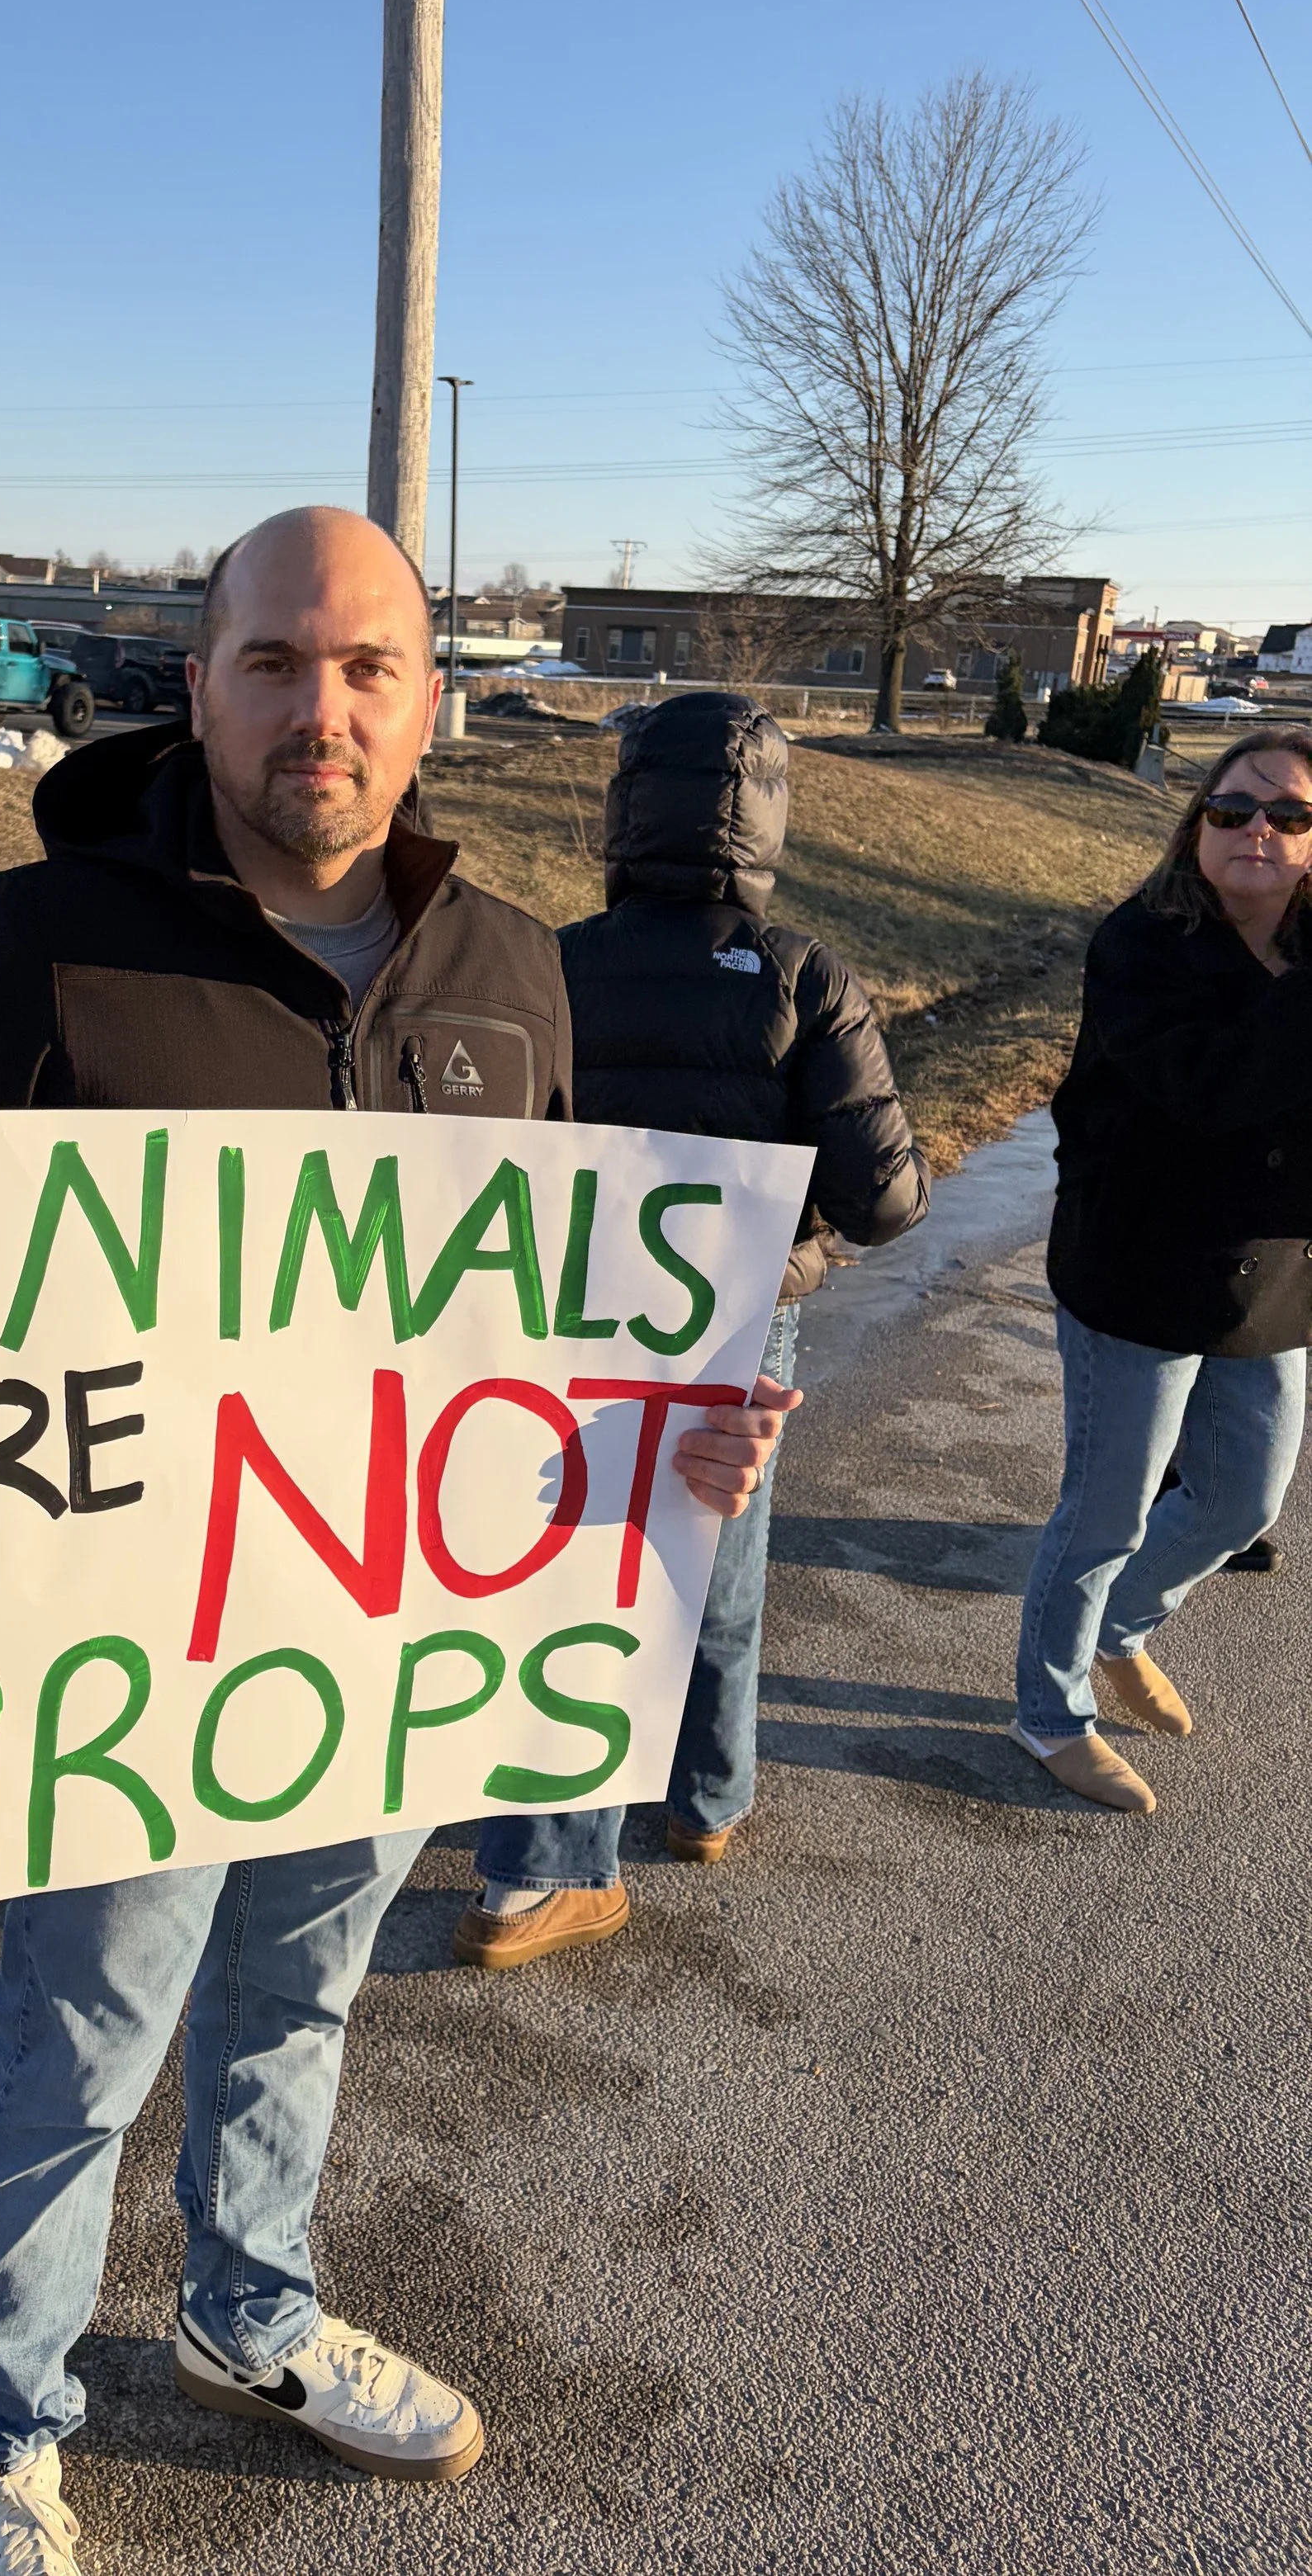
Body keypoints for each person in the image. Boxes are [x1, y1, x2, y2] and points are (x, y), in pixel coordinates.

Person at [0, 508, 796, 2576]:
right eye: (274, 661)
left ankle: (246, 2311)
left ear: (428, 701)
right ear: (197, 686)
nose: (321, 708)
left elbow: (544, 1324)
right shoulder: (51, 944)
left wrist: (672, 1444)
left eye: (367, 666)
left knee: (300, 1993)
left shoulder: (508, 972)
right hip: (135, 1654)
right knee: (84, 2041)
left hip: (381, 1634)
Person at [455, 688, 929, 1970]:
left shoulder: (544, 961)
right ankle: (703, 1801)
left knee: (571, 1566)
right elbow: (886, 1203)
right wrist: (802, 1242)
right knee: (712, 1560)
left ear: (624, 810)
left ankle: (545, 1858)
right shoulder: (806, 978)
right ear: (768, 817)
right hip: (729, 1323)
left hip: (561, 1313)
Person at [1011, 731, 1312, 1814]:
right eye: (1232, 811)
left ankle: (1122, 1629)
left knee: (1242, 1498)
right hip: (1137, 1268)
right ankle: (1050, 1713)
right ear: (1195, 829)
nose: (1257, 831)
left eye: (1288, 815)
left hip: (1271, 1278)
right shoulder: (1141, 943)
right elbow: (1212, 1088)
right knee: (1106, 1513)